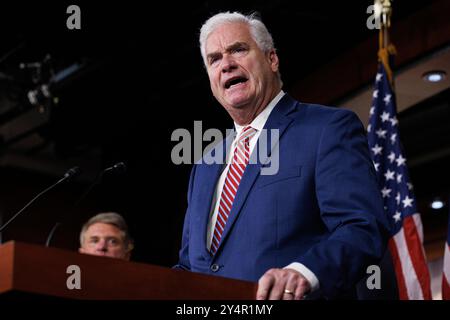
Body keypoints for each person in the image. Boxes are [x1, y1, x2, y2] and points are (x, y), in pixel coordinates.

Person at [174, 11, 390, 300]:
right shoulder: (205, 164)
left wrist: (305, 272)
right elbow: (190, 267)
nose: (226, 64)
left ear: (272, 59)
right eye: (214, 59)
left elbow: (362, 227)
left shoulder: (328, 129)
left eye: (238, 49)